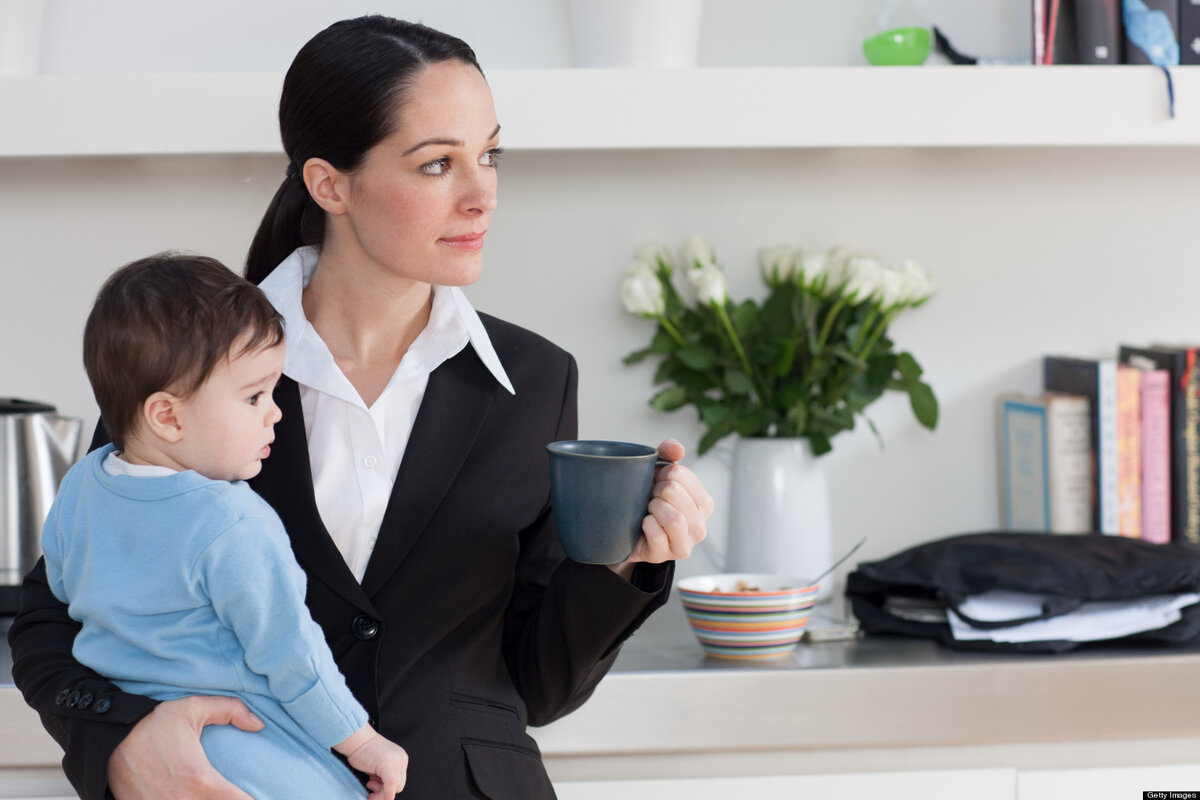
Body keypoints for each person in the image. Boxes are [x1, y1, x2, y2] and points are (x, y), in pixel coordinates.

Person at [9, 15, 714, 800]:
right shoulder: (187, 365)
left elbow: (538, 688)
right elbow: (49, 627)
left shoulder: (536, 380)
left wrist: (626, 565)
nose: (482, 194)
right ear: (328, 183)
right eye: (438, 163)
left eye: (490, 155)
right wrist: (121, 744)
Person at [41, 254, 409, 800]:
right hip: (252, 747)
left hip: (155, 750)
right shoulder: (234, 520)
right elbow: (291, 655)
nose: (275, 413)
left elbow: (65, 589)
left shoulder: (81, 486)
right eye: (254, 396)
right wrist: (361, 742)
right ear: (167, 416)